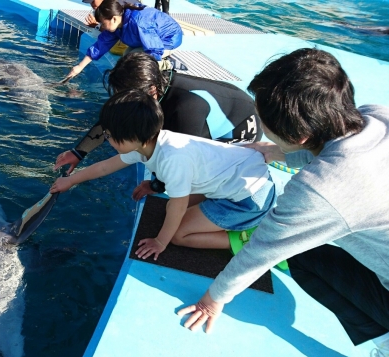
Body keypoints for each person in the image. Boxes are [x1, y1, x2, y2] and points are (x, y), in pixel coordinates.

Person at [175, 48, 389, 357]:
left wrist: (214, 299)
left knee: (300, 256)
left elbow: (262, 250)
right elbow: (326, 146)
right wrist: (273, 151)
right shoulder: (375, 115)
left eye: (267, 125)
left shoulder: (322, 190)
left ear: (300, 135)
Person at [50, 89, 275, 260]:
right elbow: (105, 167)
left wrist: (160, 241)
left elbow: (178, 203)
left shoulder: (172, 158)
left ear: (133, 137)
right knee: (171, 210)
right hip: (237, 179)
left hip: (249, 199)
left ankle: (246, 238)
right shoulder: (148, 142)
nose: (106, 138)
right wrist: (70, 181)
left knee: (178, 234)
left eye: (109, 134)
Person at [55, 52, 262, 199]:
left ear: (151, 90)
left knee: (197, 174)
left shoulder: (184, 109)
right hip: (226, 109)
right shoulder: (153, 89)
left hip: (241, 129)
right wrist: (79, 152)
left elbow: (183, 158)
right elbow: (116, 117)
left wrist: (157, 185)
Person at [64, 0, 183, 82]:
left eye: (103, 24)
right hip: (148, 40)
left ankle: (167, 63)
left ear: (114, 19)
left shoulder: (139, 22)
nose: (102, 27)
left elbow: (154, 49)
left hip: (167, 40)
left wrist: (147, 69)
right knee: (126, 57)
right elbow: (100, 46)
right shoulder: (117, 23)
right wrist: (79, 67)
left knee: (135, 63)